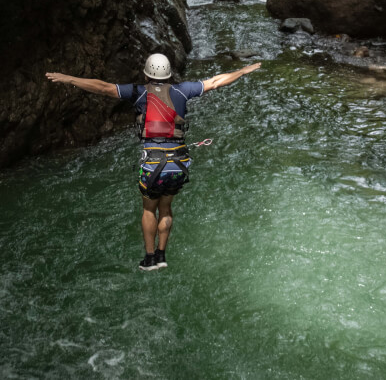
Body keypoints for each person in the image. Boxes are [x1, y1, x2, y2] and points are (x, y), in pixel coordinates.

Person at [46, 54, 261, 270]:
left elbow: (103, 87)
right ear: (168, 75)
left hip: (153, 164)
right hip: (178, 163)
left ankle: (149, 259)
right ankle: (162, 255)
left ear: (147, 73)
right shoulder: (182, 90)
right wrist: (241, 72)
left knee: (149, 209)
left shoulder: (138, 93)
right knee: (165, 208)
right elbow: (215, 81)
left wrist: (69, 78)